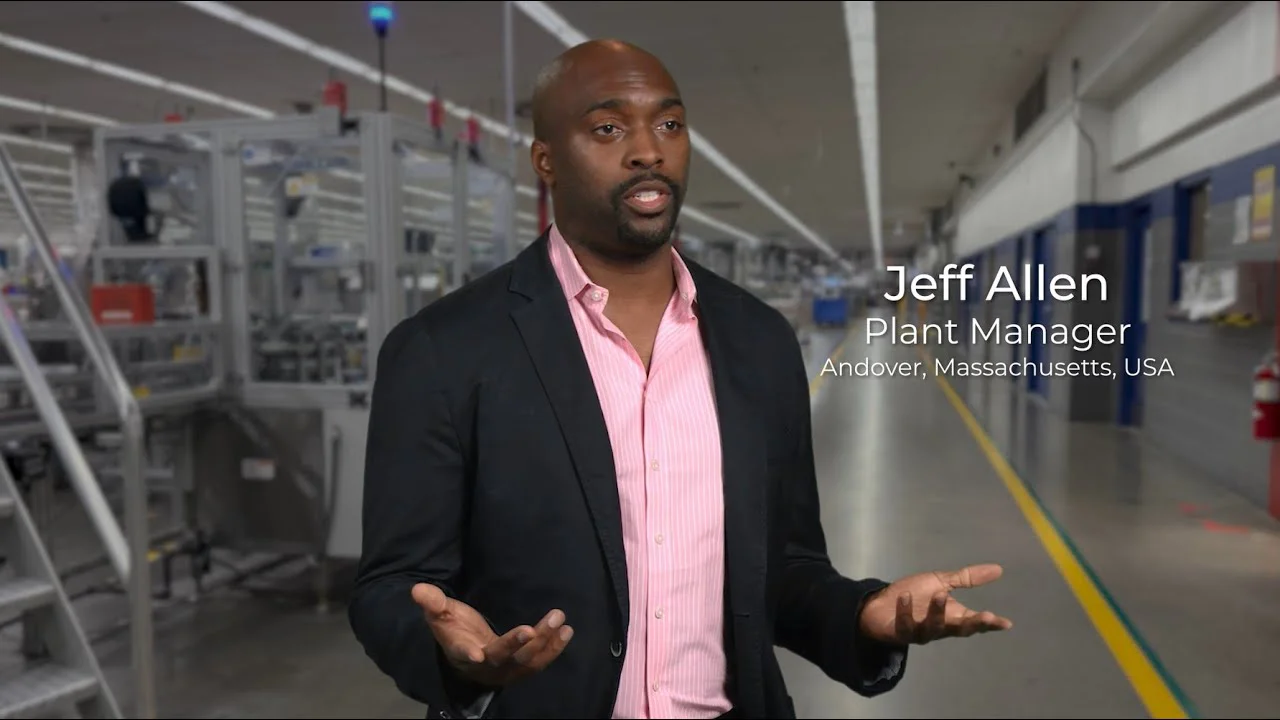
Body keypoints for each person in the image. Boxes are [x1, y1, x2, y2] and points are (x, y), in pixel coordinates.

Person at [349, 39, 1013, 720]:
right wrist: (457, 661)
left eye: (668, 124)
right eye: (609, 128)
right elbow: (392, 586)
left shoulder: (758, 342)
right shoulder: (445, 351)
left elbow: (785, 568)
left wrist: (867, 614)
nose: (648, 150)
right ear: (545, 161)